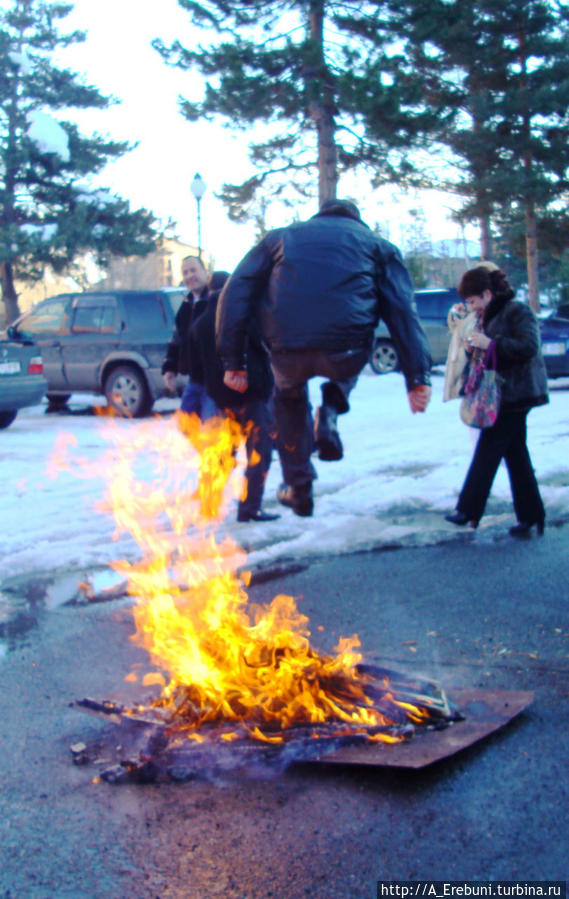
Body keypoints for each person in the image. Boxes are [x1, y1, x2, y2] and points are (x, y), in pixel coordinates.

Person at [215, 199, 432, 517]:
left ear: (319, 217)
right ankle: (330, 409)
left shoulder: (280, 238)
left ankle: (300, 488)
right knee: (355, 347)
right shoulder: (377, 246)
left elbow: (235, 291)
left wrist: (233, 361)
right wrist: (417, 377)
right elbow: (402, 311)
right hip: (346, 353)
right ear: (357, 221)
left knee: (288, 399)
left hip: (287, 353)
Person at [445, 265, 549, 536]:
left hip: (517, 393)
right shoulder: (487, 315)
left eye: (473, 300)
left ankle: (468, 510)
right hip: (500, 394)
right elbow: (485, 354)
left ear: (487, 293)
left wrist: (490, 343)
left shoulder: (517, 310)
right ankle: (531, 516)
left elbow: (529, 347)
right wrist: (474, 349)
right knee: (516, 456)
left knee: (488, 451)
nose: (471, 307)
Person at [191, 271, 280, 524]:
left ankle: (209, 503)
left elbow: (194, 368)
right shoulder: (244, 316)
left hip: (221, 401)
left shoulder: (199, 325)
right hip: (253, 396)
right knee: (258, 454)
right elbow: (265, 347)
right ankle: (249, 508)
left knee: (223, 455)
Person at [162, 255, 219, 419]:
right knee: (187, 425)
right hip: (194, 380)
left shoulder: (216, 302)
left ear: (205, 271)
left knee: (212, 431)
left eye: (193, 270)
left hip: (215, 381)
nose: (189, 276)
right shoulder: (186, 306)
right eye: (185, 272)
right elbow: (176, 340)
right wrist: (170, 368)